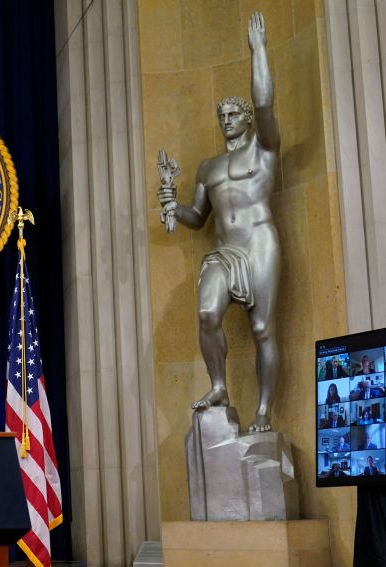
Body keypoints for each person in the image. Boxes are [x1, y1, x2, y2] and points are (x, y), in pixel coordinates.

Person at [159, 13, 280, 432]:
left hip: (259, 242)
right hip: (225, 250)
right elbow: (198, 218)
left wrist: (258, 52)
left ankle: (264, 411)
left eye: (233, 114)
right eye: (221, 115)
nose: (226, 119)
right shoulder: (209, 167)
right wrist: (174, 206)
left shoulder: (263, 151)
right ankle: (219, 387)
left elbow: (265, 103)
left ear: (246, 119)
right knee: (208, 313)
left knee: (263, 327)